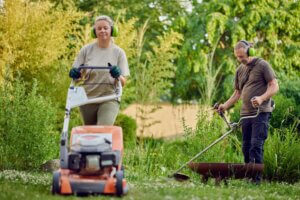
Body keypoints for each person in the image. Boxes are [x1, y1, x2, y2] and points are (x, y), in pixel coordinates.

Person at [218, 40, 279, 184]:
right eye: (237, 57)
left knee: (256, 146)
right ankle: (249, 177)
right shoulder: (240, 70)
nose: (240, 59)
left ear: (250, 51)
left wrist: (262, 98)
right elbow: (237, 93)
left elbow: (274, 86)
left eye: (242, 56)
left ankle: (256, 180)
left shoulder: (263, 65)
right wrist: (224, 106)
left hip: (260, 113)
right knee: (246, 147)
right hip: (245, 114)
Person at [69, 15, 130, 125]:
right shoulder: (86, 50)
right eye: (99, 28)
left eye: (105, 28)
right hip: (88, 99)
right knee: (90, 133)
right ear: (94, 31)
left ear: (112, 30)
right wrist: (75, 73)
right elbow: (77, 76)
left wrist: (117, 75)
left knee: (103, 129)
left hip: (109, 98)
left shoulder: (119, 53)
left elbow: (123, 82)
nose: (102, 31)